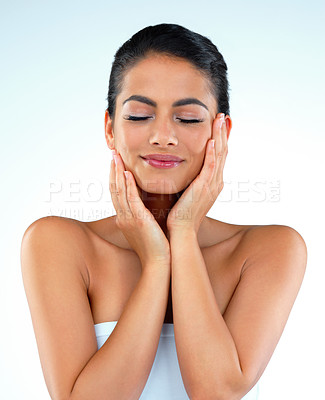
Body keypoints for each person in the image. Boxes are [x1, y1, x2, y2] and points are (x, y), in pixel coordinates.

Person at [21, 23, 307, 400]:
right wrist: (156, 261)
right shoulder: (58, 243)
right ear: (110, 128)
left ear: (221, 132)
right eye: (139, 115)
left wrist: (183, 232)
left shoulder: (270, 249)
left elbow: (215, 391)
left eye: (187, 118)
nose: (163, 135)